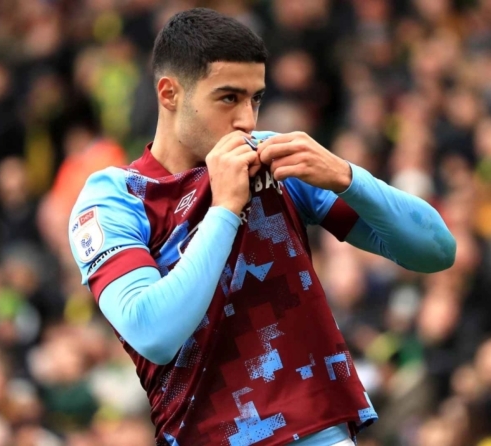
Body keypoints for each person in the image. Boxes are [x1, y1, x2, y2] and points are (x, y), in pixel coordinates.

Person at [68, 8, 455, 446]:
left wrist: (348, 177)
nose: (247, 121)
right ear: (169, 93)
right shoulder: (116, 198)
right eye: (228, 98)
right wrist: (224, 209)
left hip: (319, 430)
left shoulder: (273, 161)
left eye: (255, 99)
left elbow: (436, 251)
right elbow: (153, 333)